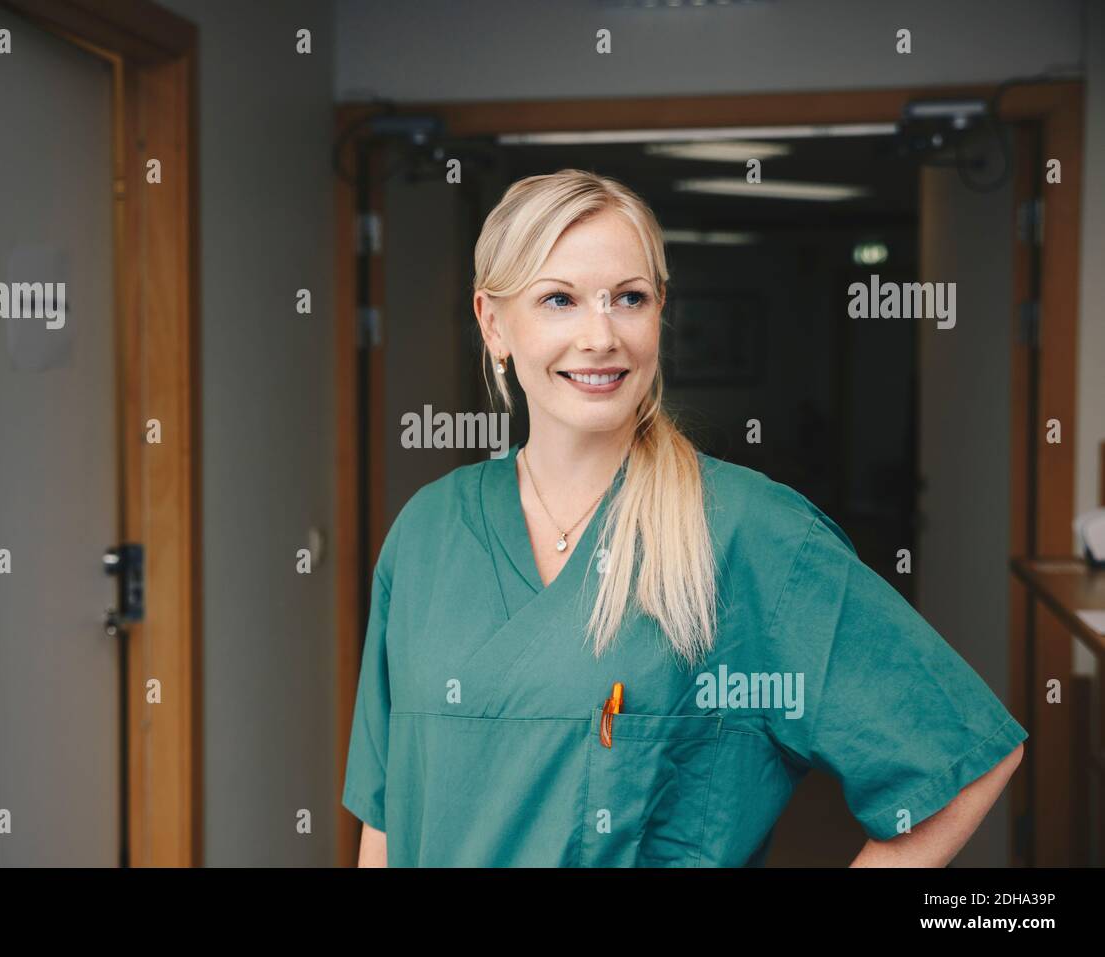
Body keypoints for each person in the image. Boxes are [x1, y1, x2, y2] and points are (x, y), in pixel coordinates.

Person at [342, 168, 1025, 867]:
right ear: (494, 323)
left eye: (628, 298)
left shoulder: (744, 530)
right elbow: (386, 819)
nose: (600, 335)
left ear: (659, 311)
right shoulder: (426, 534)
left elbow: (957, 761)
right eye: (559, 299)